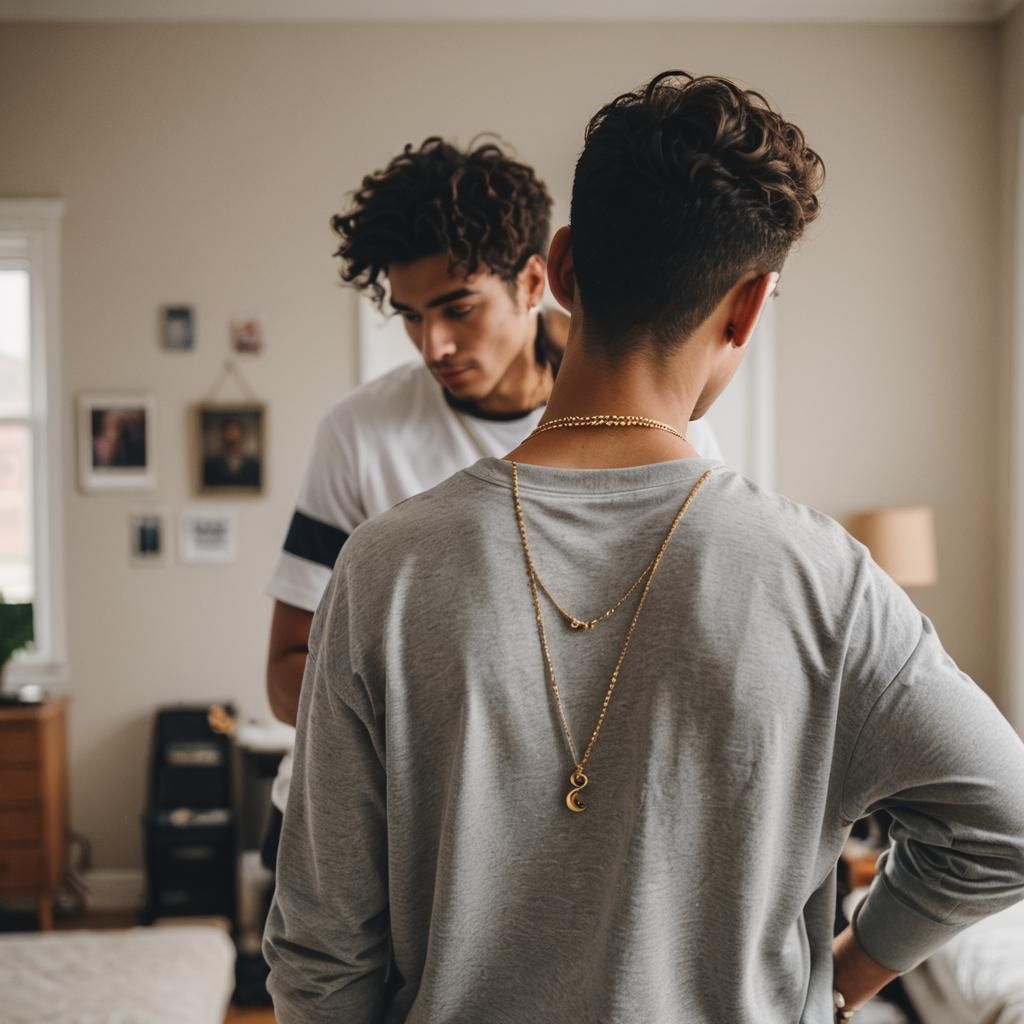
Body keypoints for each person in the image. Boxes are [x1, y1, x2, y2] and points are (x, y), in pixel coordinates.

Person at [265, 70, 1024, 1022]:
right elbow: (1007, 827)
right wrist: (849, 971)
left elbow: (322, 960)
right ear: (749, 307)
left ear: (564, 269)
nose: (434, 342)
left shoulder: (382, 568)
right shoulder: (826, 581)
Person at [260, 136, 723, 874]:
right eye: (410, 317)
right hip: (363, 830)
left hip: (560, 828)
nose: (432, 344)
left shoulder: (663, 416)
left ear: (535, 280)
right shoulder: (360, 433)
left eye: (457, 308)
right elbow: (285, 674)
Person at [202, 416, 261, 488]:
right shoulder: (210, 465)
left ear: (243, 437)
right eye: (229, 435)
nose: (232, 437)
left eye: (236, 436)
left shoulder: (254, 466)